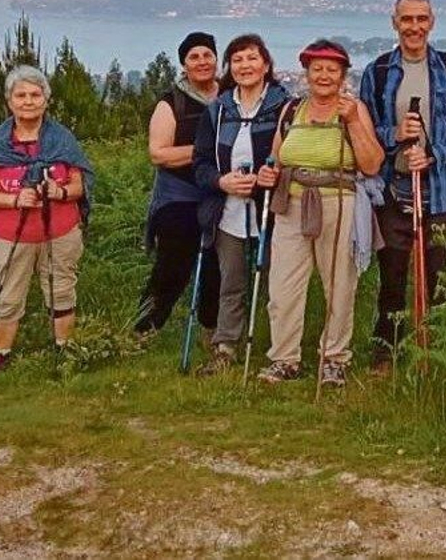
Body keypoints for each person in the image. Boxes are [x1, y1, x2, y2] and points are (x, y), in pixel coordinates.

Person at [359, 0, 446, 374]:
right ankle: (386, 355)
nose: (414, 27)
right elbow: (364, 129)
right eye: (406, 19)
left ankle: (439, 355)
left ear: (432, 22)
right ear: (395, 23)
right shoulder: (377, 72)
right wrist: (394, 134)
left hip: (440, 192)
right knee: (392, 277)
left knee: (440, 280)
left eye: (421, 19)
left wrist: (435, 154)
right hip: (394, 190)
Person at [253, 40, 384, 386]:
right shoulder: (291, 110)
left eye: (332, 69)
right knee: (282, 287)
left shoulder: (354, 110)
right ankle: (284, 358)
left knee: (340, 285)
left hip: (338, 203)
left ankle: (334, 359)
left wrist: (353, 121)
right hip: (290, 205)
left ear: (343, 75)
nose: (324, 75)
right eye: (317, 68)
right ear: (306, 73)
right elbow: (276, 160)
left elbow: (371, 163)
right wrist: (269, 174)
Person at [0, 65, 94, 376]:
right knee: (8, 295)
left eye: (35, 94)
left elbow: (79, 186)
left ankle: (64, 350)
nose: (28, 101)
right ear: (9, 101)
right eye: (20, 95)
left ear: (46, 100)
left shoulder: (62, 140)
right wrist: (15, 199)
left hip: (60, 231)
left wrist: (59, 191)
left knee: (62, 290)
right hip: (9, 235)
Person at [191, 34, 291, 376]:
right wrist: (222, 182)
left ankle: (283, 349)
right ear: (229, 68)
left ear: (265, 64)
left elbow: (294, 156)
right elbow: (201, 162)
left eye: (251, 58)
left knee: (278, 281)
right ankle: (226, 346)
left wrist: (273, 174)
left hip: (273, 209)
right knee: (231, 279)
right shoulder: (218, 111)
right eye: (237, 60)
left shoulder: (284, 107)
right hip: (228, 209)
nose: (245, 66)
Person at [133, 31, 221, 339]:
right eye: (194, 57)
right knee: (173, 266)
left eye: (207, 55)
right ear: (184, 65)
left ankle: (213, 330)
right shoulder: (171, 103)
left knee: (217, 266)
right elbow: (158, 153)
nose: (201, 62)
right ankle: (145, 328)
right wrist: (206, 153)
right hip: (179, 197)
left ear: (216, 58)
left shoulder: (229, 97)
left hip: (220, 194)